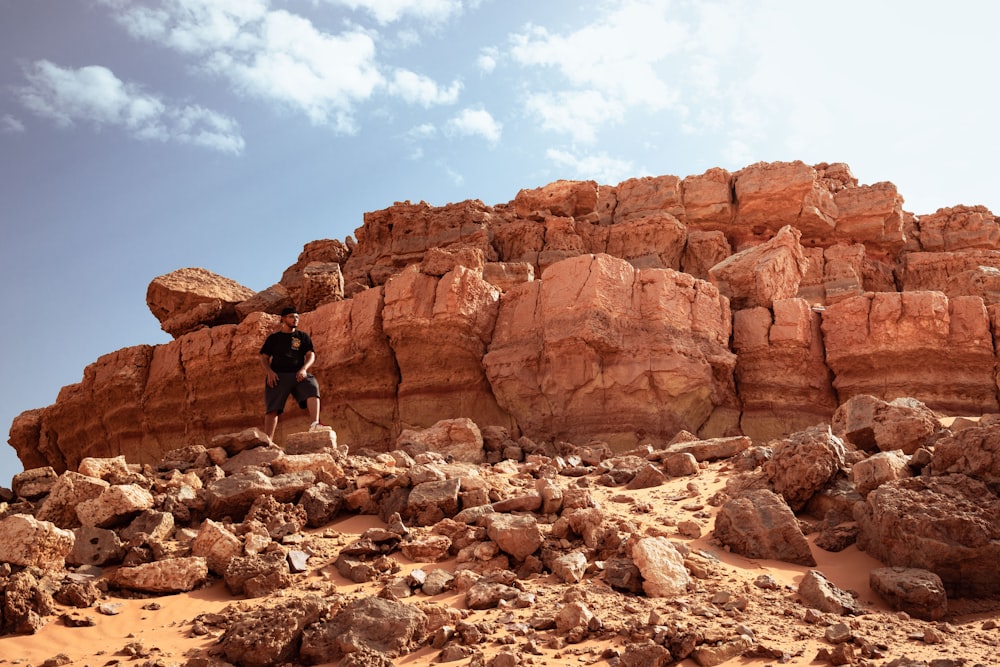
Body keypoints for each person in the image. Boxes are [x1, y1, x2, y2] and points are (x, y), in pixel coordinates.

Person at [259, 306, 324, 439]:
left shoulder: (302, 337)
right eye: (291, 317)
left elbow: (310, 355)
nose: (295, 319)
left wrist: (304, 369)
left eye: (297, 317)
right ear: (283, 319)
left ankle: (315, 424)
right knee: (273, 408)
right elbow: (264, 357)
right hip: (278, 375)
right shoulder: (274, 338)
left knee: (312, 386)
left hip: (298, 374)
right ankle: (268, 440)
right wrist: (270, 372)